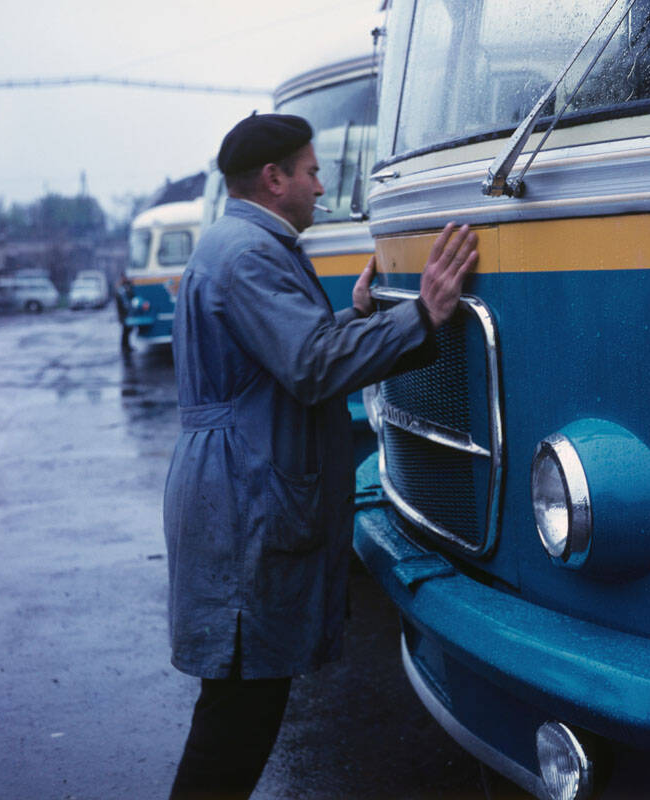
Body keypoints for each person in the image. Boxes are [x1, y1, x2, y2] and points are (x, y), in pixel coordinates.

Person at [163, 112, 478, 799]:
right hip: (243, 490)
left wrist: (359, 319)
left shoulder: (238, 242)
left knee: (244, 698)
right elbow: (306, 365)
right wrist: (421, 314)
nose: (319, 187)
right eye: (310, 172)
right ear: (274, 180)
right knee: (238, 710)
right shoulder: (249, 251)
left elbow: (269, 361)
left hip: (235, 479)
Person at [114, 276, 134, 353]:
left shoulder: (123, 288)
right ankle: (125, 346)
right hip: (124, 314)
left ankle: (126, 346)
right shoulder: (121, 290)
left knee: (127, 330)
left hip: (124, 314)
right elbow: (124, 303)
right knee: (126, 331)